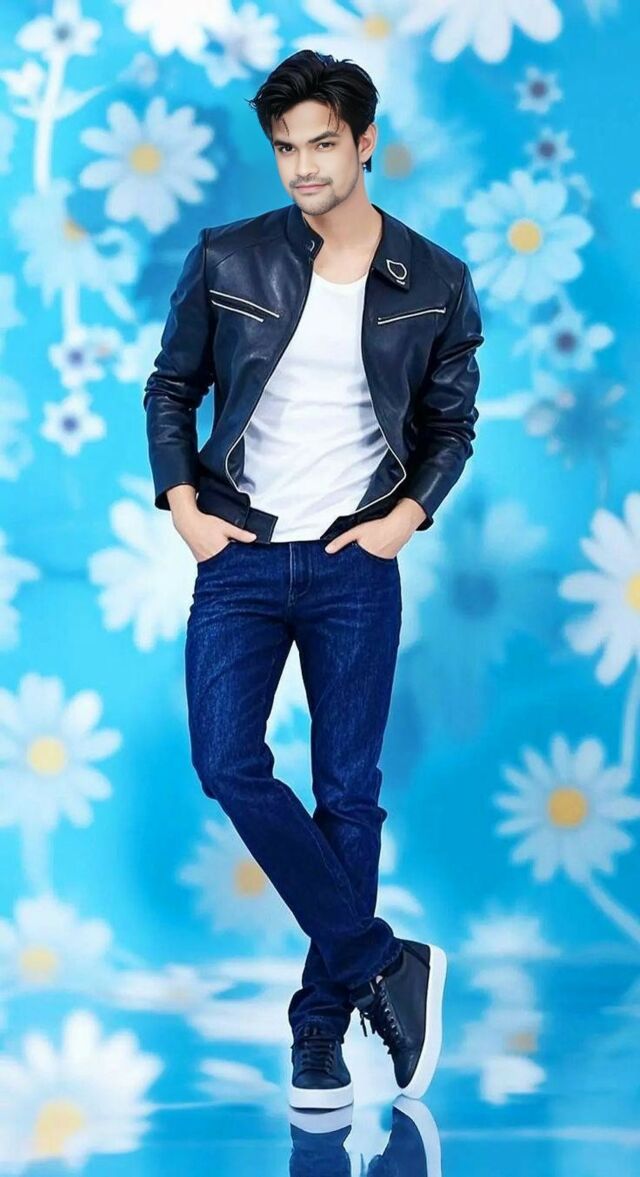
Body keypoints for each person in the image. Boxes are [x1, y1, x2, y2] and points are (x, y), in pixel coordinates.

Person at [143, 49, 484, 1110]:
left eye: (323, 144)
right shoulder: (228, 256)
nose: (303, 167)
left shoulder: (434, 280)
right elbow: (170, 385)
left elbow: (451, 425)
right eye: (287, 147)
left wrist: (403, 521)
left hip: (352, 562)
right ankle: (383, 960)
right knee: (226, 761)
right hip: (238, 553)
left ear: (365, 141)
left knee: (348, 794)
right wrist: (185, 507)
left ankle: (321, 1034)